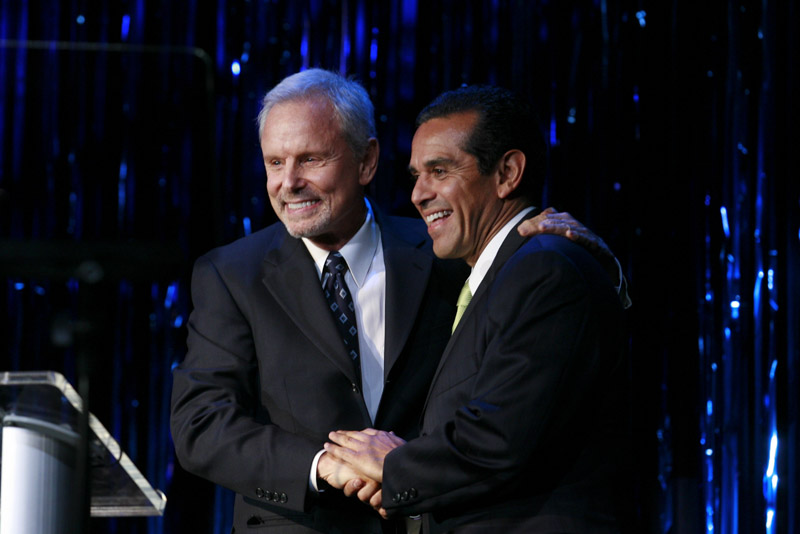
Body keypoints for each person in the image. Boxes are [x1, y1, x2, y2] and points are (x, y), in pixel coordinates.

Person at [170, 70, 625, 533]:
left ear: (367, 161)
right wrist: (323, 465)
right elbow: (201, 424)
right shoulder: (231, 273)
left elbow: (540, 349)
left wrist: (605, 276)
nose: (289, 182)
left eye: (310, 159)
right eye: (274, 162)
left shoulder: (449, 250)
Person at [325, 85, 631, 533]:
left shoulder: (544, 269)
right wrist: (398, 481)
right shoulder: (494, 276)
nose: (418, 194)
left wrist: (393, 466)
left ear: (507, 172)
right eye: (416, 174)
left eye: (440, 170)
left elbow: (498, 439)